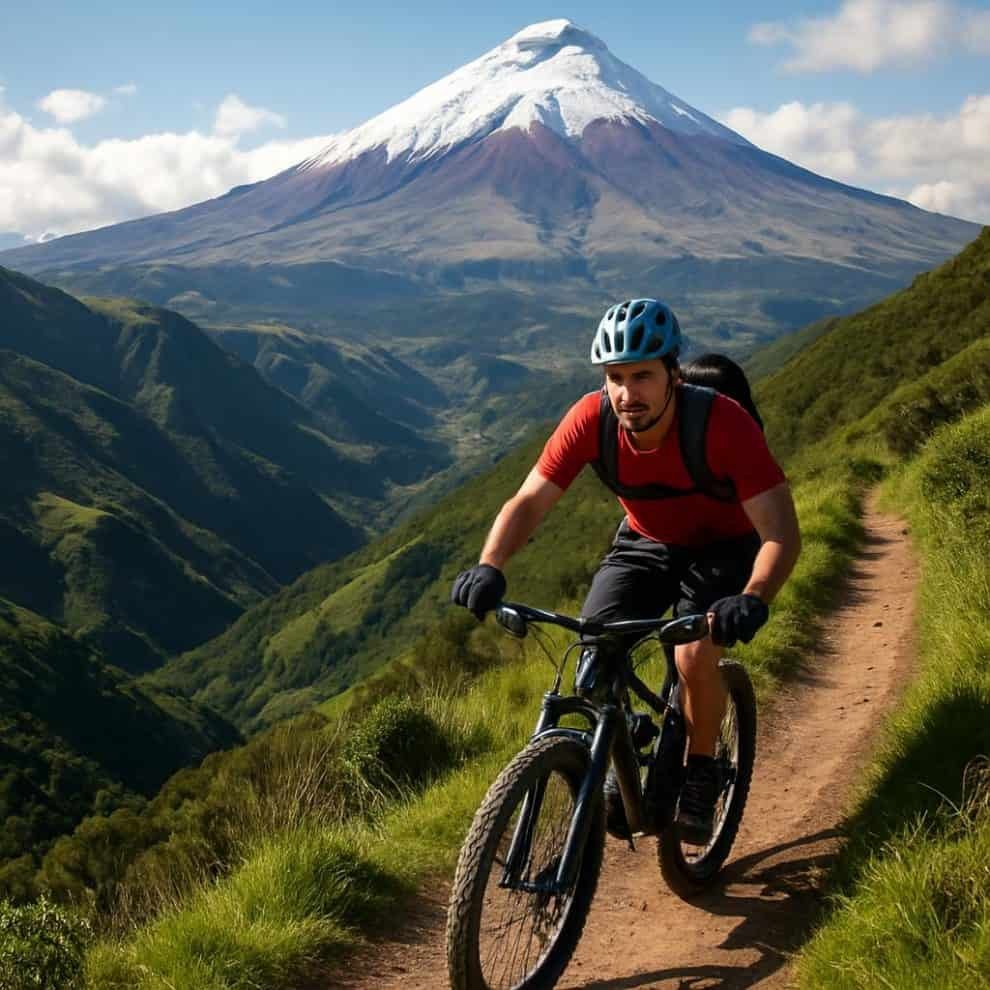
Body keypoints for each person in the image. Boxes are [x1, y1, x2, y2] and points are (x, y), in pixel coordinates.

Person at [451, 299, 801, 843]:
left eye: (641, 376)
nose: (626, 393)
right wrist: (490, 564)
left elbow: (781, 531)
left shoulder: (721, 425)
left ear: (673, 376)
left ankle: (702, 769)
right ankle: (622, 746)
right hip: (648, 539)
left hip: (729, 546)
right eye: (615, 377)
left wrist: (753, 596)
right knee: (595, 642)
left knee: (692, 653)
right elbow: (529, 501)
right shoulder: (591, 420)